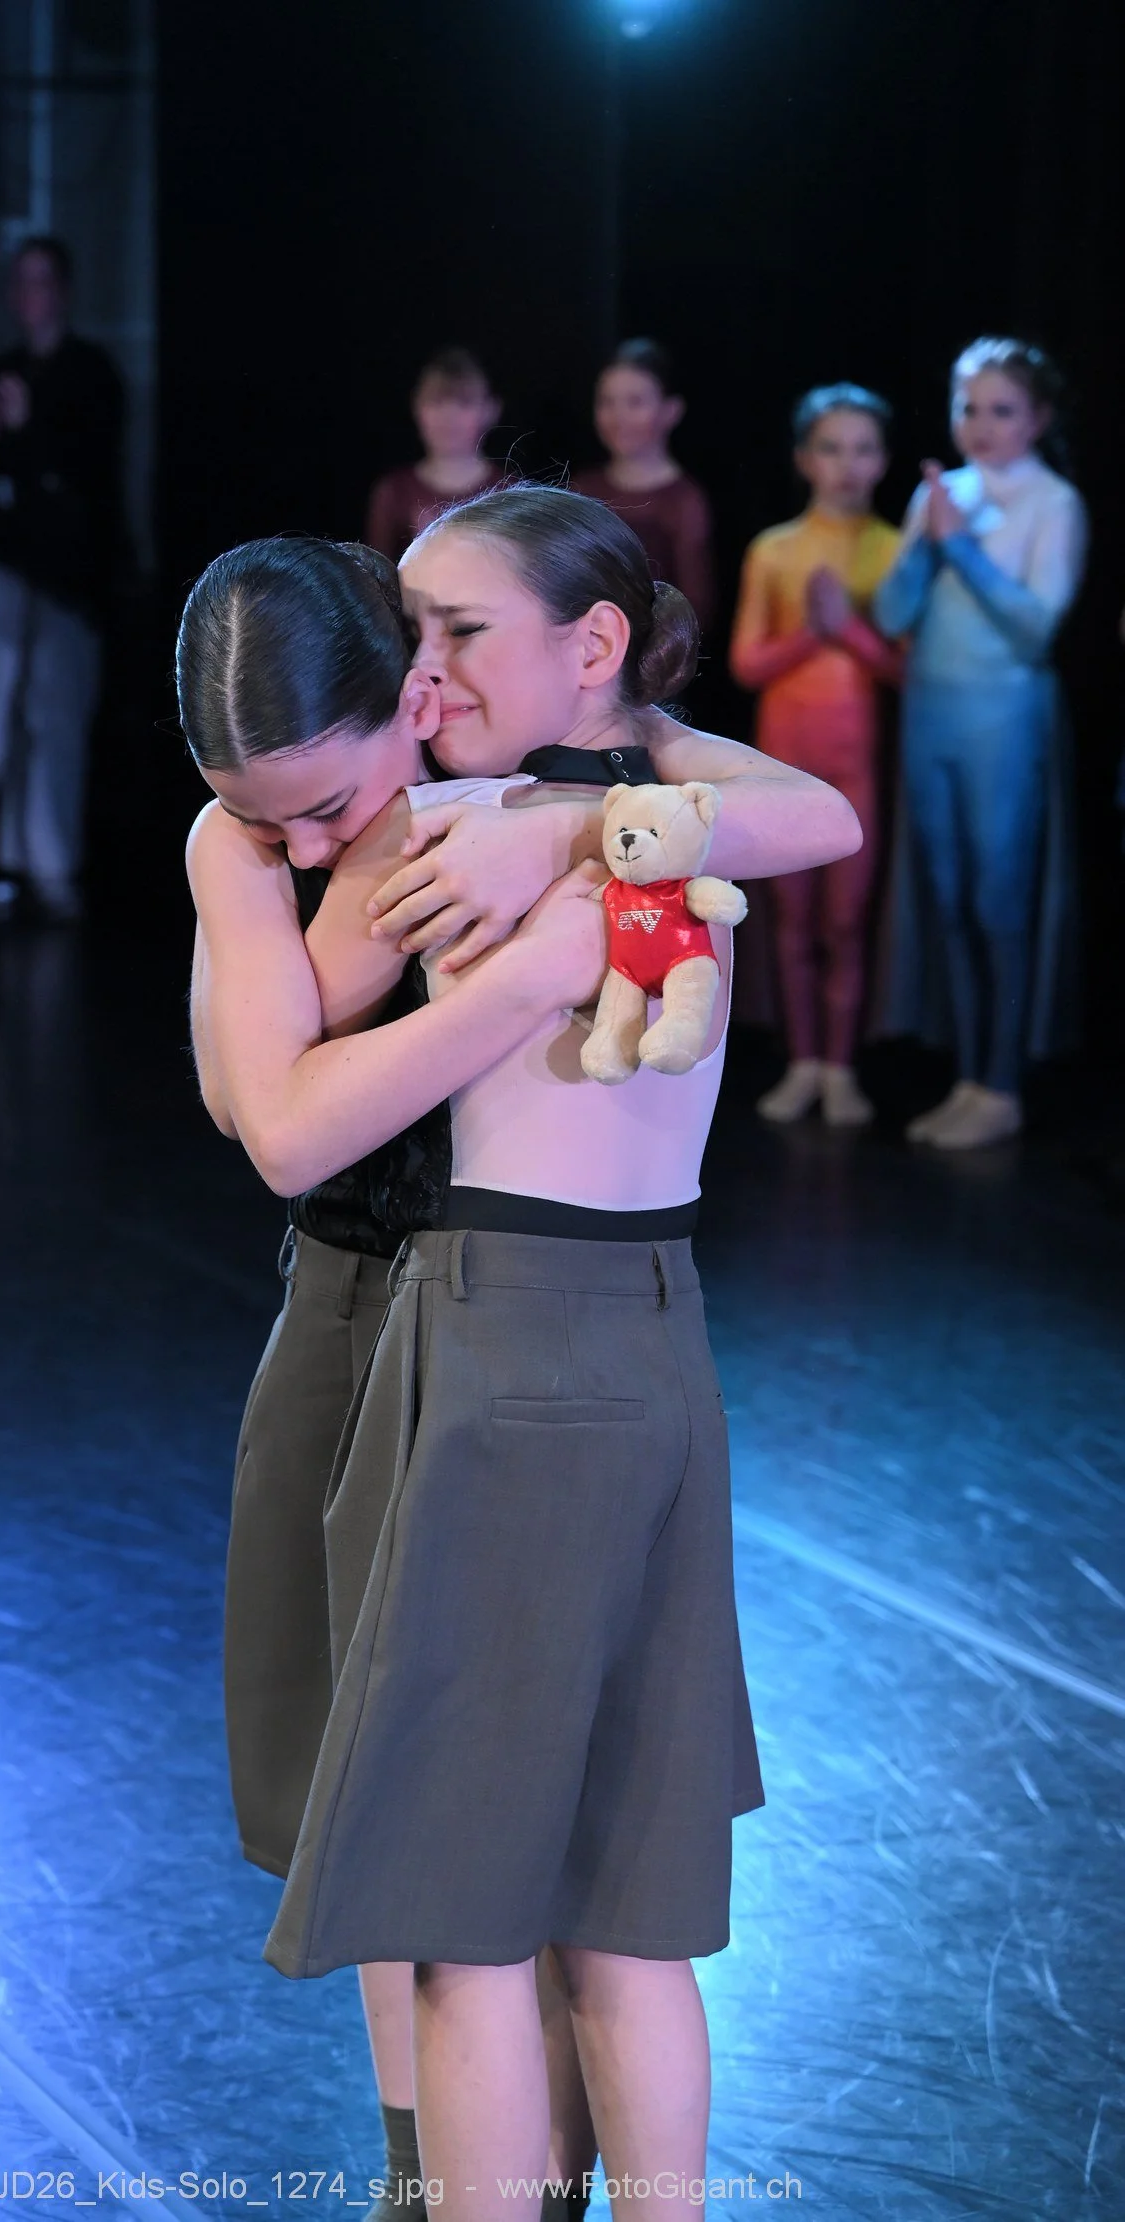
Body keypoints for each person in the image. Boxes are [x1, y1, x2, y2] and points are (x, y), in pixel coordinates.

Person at [182, 489, 861, 2215]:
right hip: (407, 1297)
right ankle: (442, 2173)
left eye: (456, 635)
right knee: (428, 1821)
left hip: (494, 1322)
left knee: (481, 1873)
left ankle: (506, 2179)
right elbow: (260, 1107)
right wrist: (556, 885)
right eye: (412, 634)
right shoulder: (478, 822)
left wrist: (565, 847)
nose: (427, 669)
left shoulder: (522, 804)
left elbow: (813, 813)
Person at [873, 338, 1086, 1150]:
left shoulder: (1053, 502)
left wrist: (959, 545)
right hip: (933, 715)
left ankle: (1002, 1083)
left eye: (1002, 409)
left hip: (1005, 718)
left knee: (999, 899)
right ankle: (968, 1079)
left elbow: (1035, 628)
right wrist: (931, 542)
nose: (983, 424)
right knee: (950, 896)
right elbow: (893, 614)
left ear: (1038, 418)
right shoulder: (941, 494)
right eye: (969, 407)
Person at [729, 384, 903, 1126]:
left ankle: (841, 1068)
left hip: (856, 763)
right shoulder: (774, 549)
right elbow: (747, 663)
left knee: (846, 922)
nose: (847, 464)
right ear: (804, 458)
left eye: (863, 449)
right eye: (831, 448)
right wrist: (813, 631)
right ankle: (802, 1063)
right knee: (791, 921)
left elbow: (903, 667)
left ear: (883, 460)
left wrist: (848, 629)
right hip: (784, 765)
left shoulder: (895, 548)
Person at [0, 236, 126, 922]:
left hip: (66, 576)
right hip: (7, 566)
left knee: (53, 714)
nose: (29, 296)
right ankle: (8, 856)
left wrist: (24, 431)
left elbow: (87, 480)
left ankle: (52, 862)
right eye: (19, 282)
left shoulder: (90, 375)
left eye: (41, 281)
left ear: (62, 290)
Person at [571, 340, 717, 637]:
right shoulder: (582, 488)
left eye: (635, 402)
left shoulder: (683, 500)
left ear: (671, 410)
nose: (619, 416)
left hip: (654, 651)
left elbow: (695, 608)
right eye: (607, 402)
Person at [364, 349, 502, 564]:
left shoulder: (509, 490)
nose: (449, 415)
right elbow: (376, 573)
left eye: (464, 402)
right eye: (436, 401)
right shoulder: (393, 491)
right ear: (417, 406)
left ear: (490, 410)